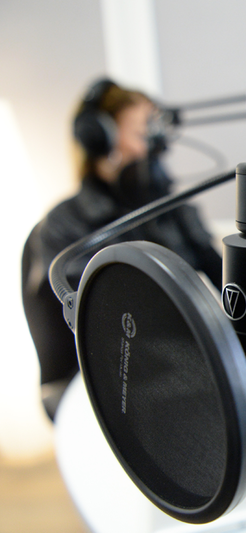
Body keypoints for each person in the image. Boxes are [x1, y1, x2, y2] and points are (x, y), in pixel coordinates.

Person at [21, 79, 223, 418]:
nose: (156, 148)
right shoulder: (65, 223)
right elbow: (116, 325)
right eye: (144, 134)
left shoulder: (171, 208)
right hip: (112, 379)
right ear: (99, 140)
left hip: (177, 365)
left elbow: (219, 271)